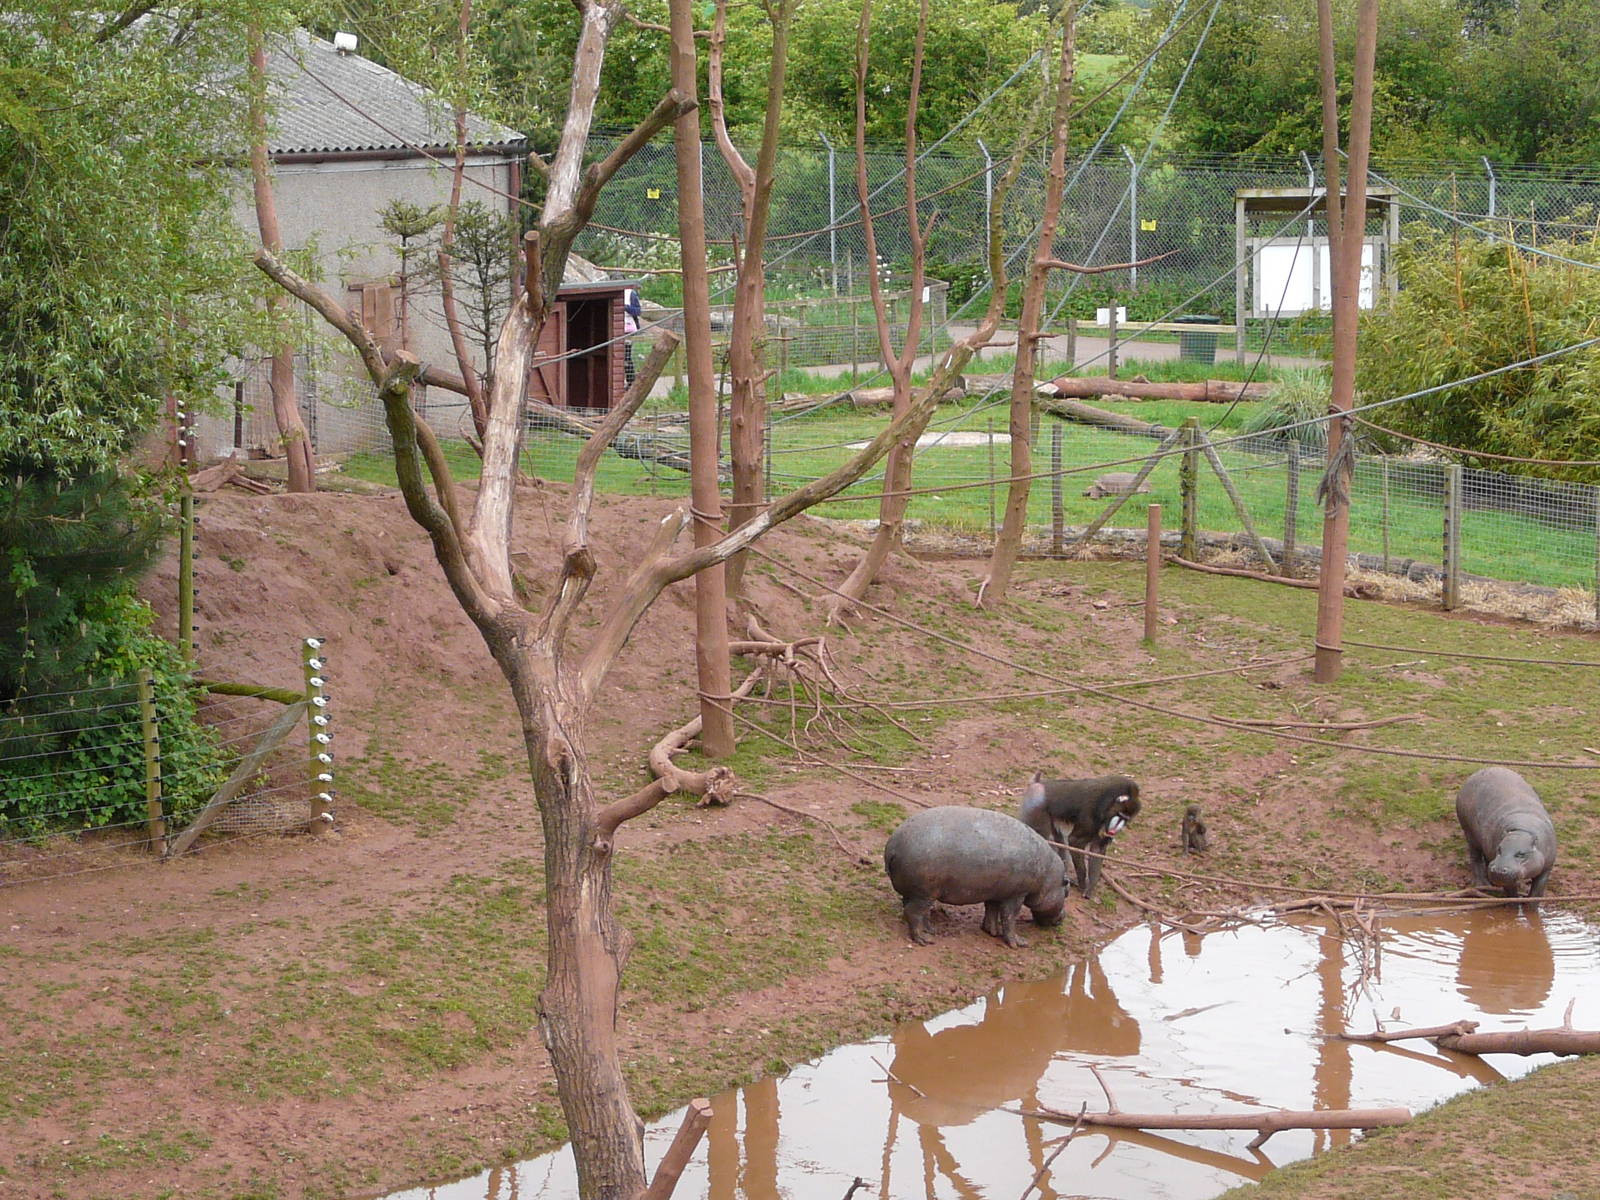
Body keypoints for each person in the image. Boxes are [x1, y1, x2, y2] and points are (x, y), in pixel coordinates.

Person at [623, 287, 641, 387]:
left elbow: (637, 311)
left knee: (626, 357)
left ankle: (631, 382)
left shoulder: (631, 294)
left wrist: (626, 307)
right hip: (614, 330)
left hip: (628, 330)